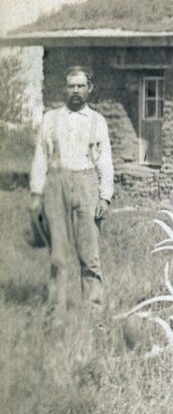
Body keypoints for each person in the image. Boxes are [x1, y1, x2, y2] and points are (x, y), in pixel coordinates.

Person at [29, 65, 114, 317]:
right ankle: (55, 313)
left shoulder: (97, 121)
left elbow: (105, 161)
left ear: (90, 89)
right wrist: (36, 194)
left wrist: (105, 197)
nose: (75, 91)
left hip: (87, 185)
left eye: (80, 86)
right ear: (65, 88)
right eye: (71, 86)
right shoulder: (51, 119)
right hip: (56, 186)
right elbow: (40, 158)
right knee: (58, 256)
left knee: (90, 255)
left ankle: (94, 313)